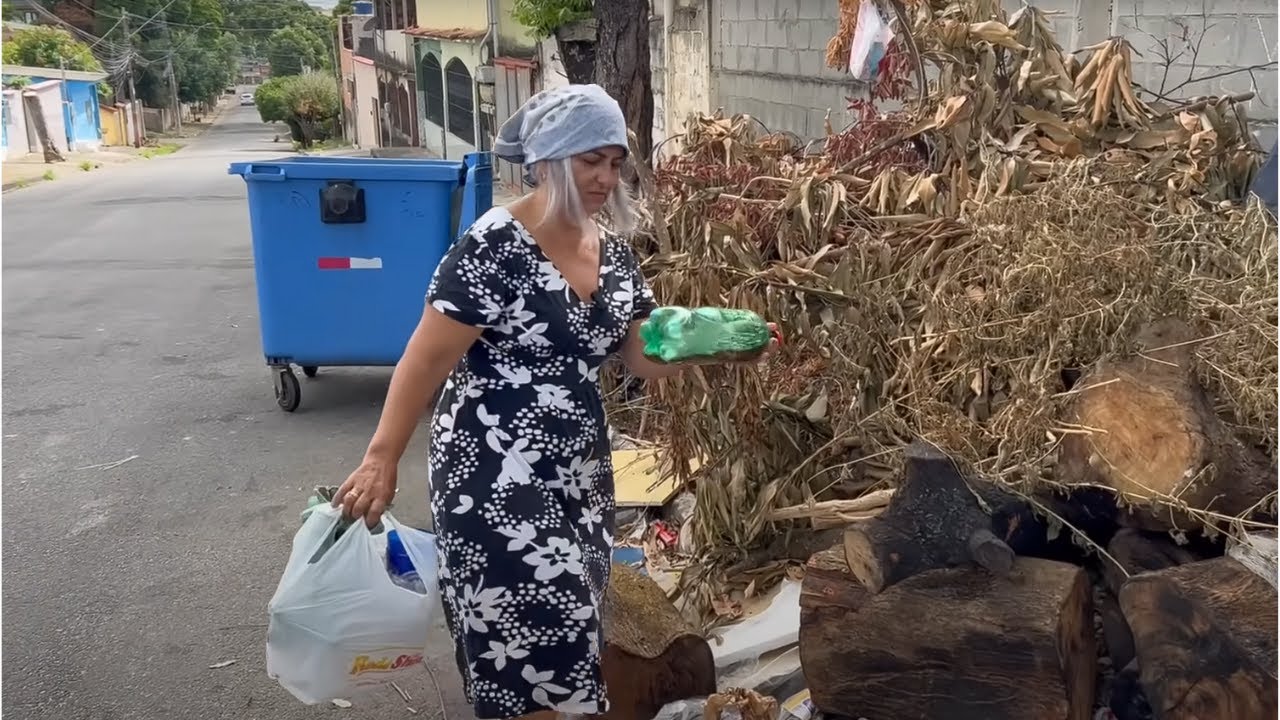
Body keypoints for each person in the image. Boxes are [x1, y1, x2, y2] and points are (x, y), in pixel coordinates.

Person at [334, 84, 772, 720]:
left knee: (572, 630)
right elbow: (426, 358)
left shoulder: (613, 253)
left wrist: (722, 342)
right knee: (530, 631)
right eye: (591, 160)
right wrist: (382, 456)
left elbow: (641, 352)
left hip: (577, 472)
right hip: (491, 467)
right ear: (547, 160)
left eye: (615, 163)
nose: (606, 178)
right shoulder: (495, 244)